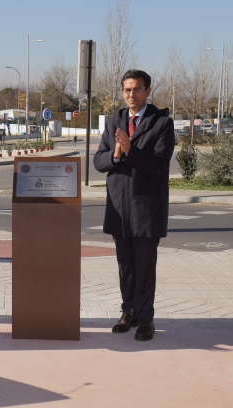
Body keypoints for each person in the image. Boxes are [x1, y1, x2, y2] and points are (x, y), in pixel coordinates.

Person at [93, 69, 175, 341]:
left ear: (148, 91)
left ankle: (146, 320)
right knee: (125, 267)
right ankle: (128, 313)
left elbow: (160, 165)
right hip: (119, 206)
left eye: (137, 89)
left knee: (144, 267)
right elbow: (99, 162)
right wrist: (116, 155)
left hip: (146, 208)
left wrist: (130, 151)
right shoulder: (113, 121)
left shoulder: (161, 122)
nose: (131, 94)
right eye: (127, 90)